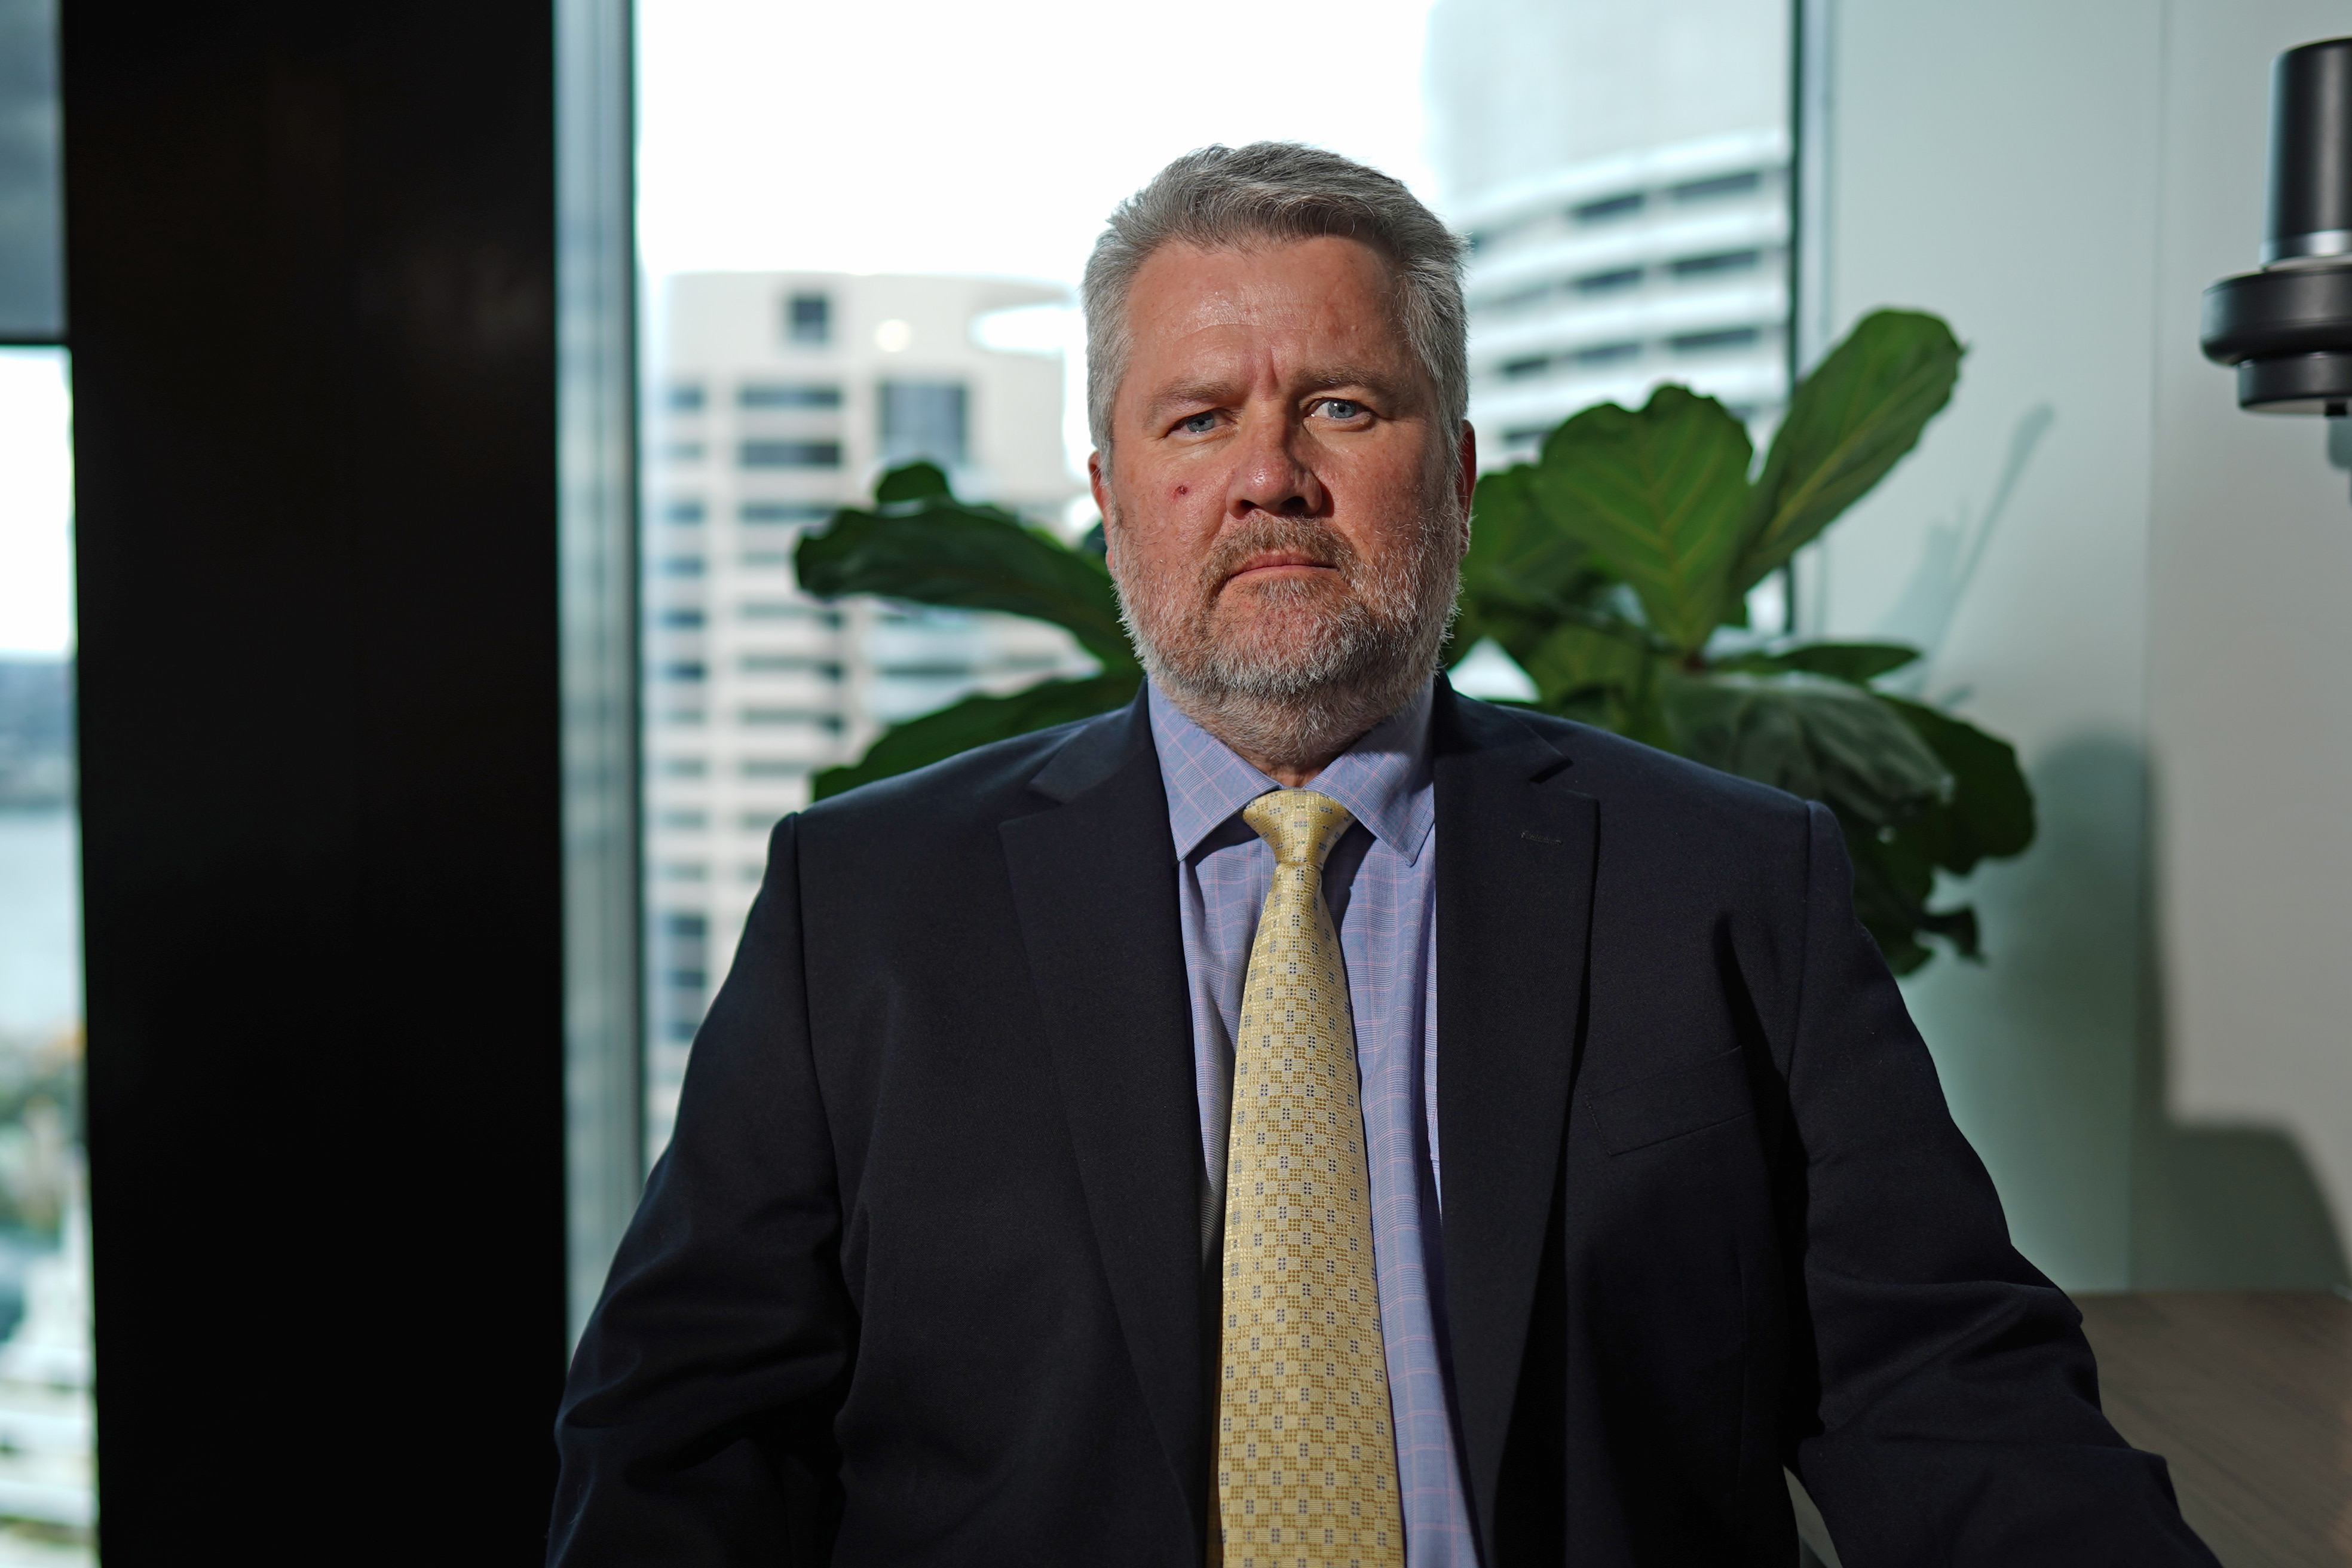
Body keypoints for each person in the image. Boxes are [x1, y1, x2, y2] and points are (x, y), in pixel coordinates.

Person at [548, 143, 2217, 1568]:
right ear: (1112, 496)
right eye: (1198, 420)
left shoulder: (1724, 882)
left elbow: (1942, 1387)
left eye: (1344, 406)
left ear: (1463, 478)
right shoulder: (869, 908)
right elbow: (684, 1440)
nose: (1271, 476)